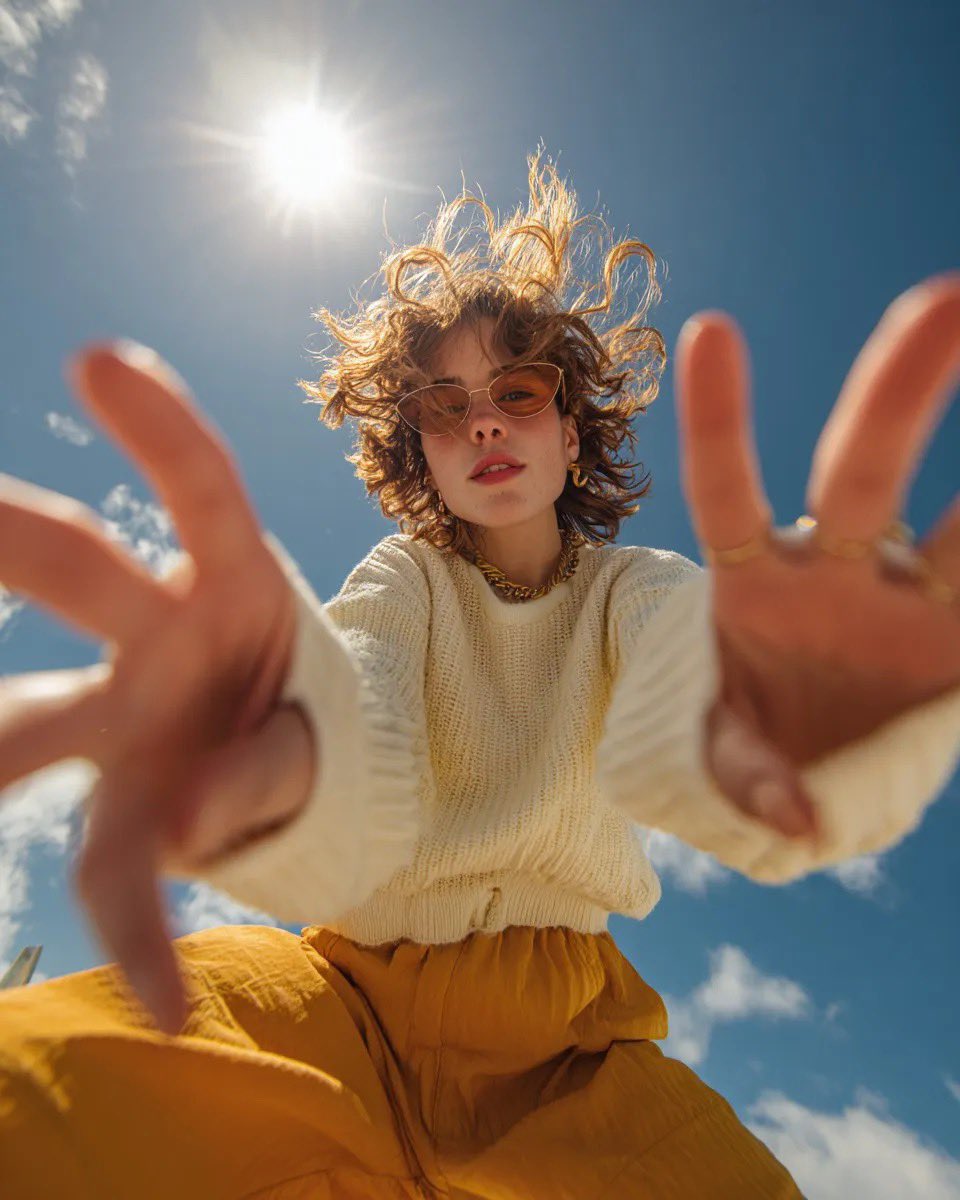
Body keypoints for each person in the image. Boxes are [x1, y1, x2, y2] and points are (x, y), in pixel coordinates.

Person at [0, 147, 958, 1199]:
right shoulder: (405, 576)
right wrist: (286, 763)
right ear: (419, 453)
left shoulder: (631, 585)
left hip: (573, 1058)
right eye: (444, 407)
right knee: (36, 1085)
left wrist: (766, 726)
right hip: (342, 998)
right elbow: (358, 704)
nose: (485, 421)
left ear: (572, 429)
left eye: (518, 389)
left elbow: (685, 667)